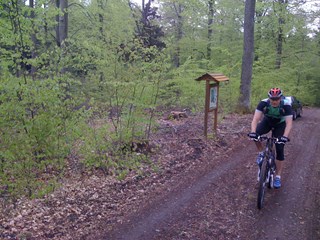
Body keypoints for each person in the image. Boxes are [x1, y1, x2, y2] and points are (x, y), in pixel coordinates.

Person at [248, 87, 293, 189]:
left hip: (280, 125)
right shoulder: (263, 103)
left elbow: (289, 124)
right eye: (272, 99)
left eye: (277, 99)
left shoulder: (286, 105)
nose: (274, 101)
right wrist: (253, 132)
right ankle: (261, 152)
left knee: (280, 148)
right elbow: (255, 119)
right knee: (256, 135)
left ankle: (277, 176)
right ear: (269, 98)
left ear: (280, 98)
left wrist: (284, 137)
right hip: (267, 121)